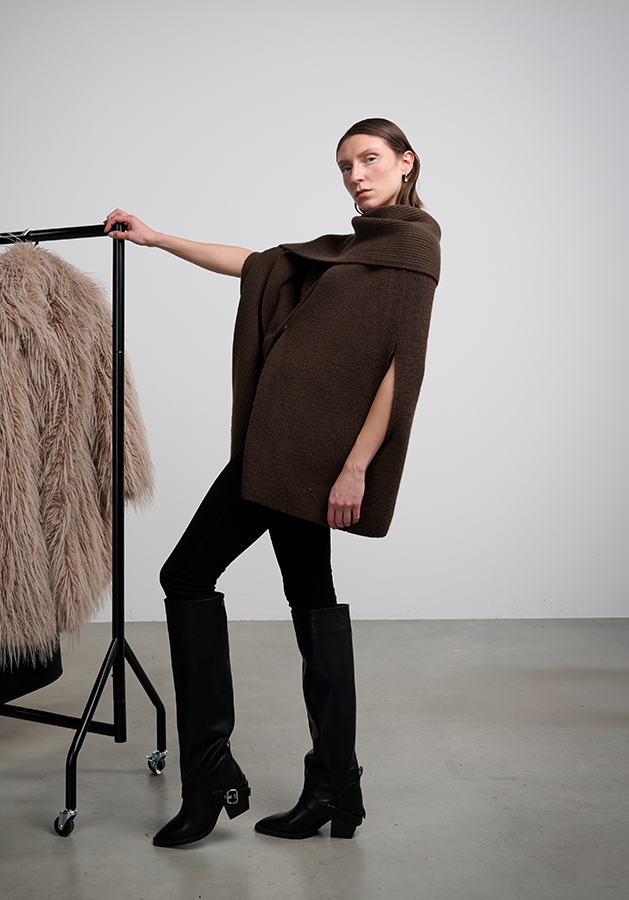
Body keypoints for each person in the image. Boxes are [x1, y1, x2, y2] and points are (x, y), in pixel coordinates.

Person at [103, 117, 441, 848]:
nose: (356, 175)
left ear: (406, 162)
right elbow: (257, 264)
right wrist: (157, 239)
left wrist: (356, 466)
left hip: (303, 456)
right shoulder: (353, 248)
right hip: (283, 445)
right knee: (310, 596)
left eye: (369, 159)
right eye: (344, 165)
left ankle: (211, 779)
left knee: (185, 574)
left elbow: (402, 370)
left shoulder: (413, 247)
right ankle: (336, 790)